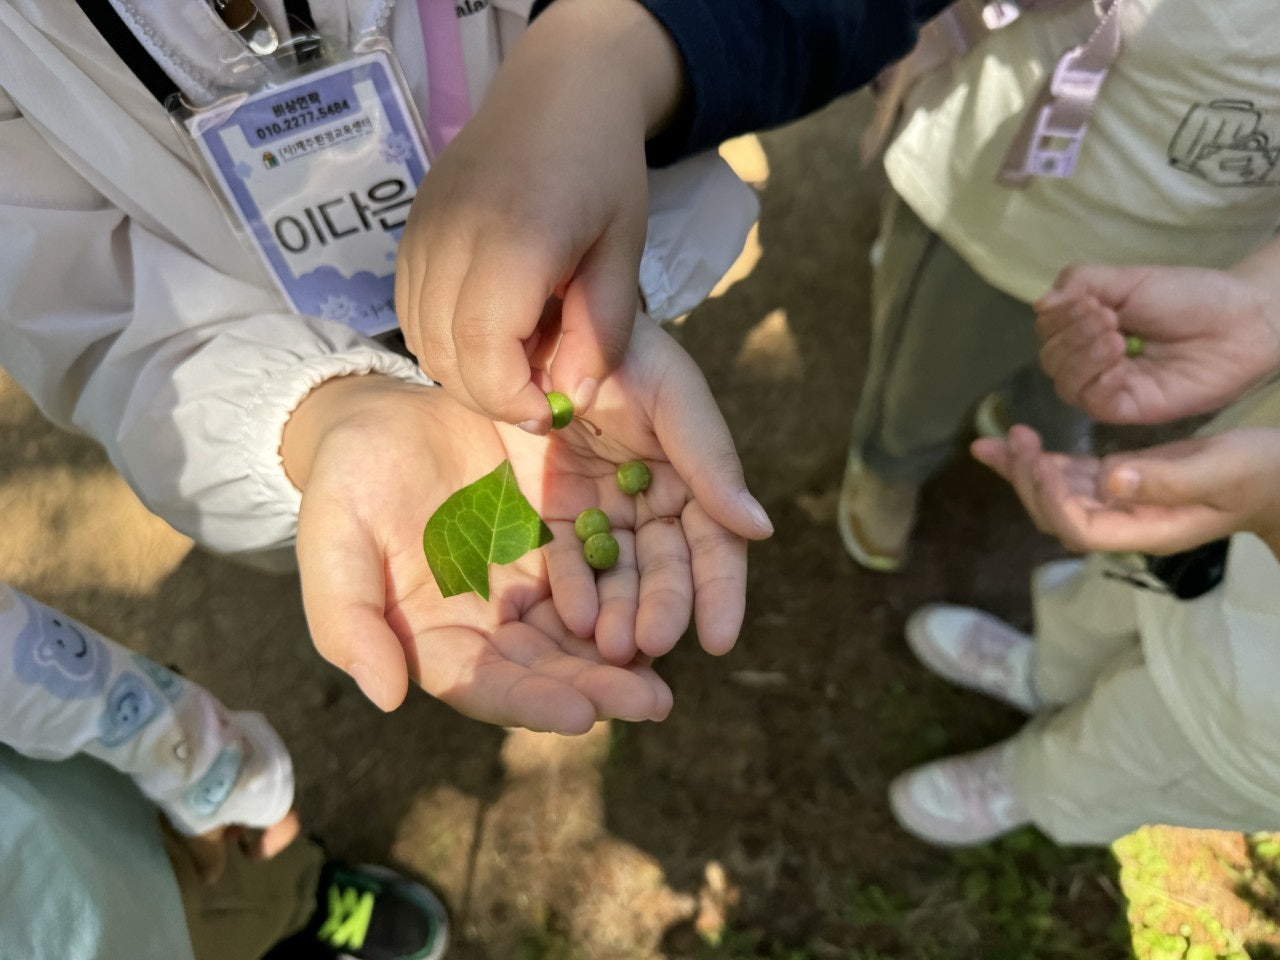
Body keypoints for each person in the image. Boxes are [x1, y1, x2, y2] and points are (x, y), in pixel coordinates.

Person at [833, 0, 1280, 572]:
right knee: (926, 374)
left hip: (1199, 252)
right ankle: (891, 462)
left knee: (1089, 366)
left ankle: (1041, 421)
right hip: (1005, 205)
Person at [394, 0, 952, 430]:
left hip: (619, 264)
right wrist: (316, 404)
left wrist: (613, 44)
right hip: (361, 336)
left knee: (613, 364)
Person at [885, 247, 1280, 847]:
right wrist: (1264, 308)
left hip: (1259, 710)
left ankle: (1031, 781)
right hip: (1237, 483)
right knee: (1117, 590)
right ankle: (1045, 671)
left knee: (1143, 748)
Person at [0, 581, 448, 960]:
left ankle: (304, 897)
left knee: (249, 889)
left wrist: (217, 780)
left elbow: (30, 659)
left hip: (110, 855)